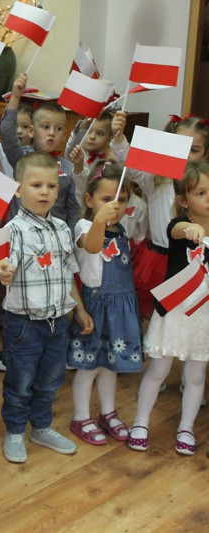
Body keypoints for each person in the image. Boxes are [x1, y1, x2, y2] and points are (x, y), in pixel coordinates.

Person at [0, 152, 93, 464]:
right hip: (24, 323)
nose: (45, 192)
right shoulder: (14, 229)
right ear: (19, 190)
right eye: (36, 185)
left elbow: (67, 273)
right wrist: (1, 270)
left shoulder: (62, 228)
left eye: (51, 185)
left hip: (58, 321)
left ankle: (41, 427)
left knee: (50, 380)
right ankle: (14, 430)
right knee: (20, 381)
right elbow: (1, 263)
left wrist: (78, 308)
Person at [128, 161, 209, 456]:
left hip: (203, 318)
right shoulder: (179, 226)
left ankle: (186, 427)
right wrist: (192, 228)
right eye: (201, 192)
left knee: (196, 377)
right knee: (158, 370)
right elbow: (178, 230)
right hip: (174, 311)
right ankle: (140, 422)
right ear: (183, 200)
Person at [66, 163, 142, 446]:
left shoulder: (122, 228)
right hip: (97, 306)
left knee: (111, 365)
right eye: (106, 199)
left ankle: (107, 413)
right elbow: (93, 246)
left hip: (122, 305)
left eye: (121, 200)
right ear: (89, 200)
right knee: (89, 366)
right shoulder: (85, 226)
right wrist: (100, 220)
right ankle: (80, 415)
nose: (115, 205)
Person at [127, 114, 209, 319]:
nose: (186, 155)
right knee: (157, 312)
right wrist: (119, 138)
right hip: (159, 257)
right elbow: (129, 165)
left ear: (205, 154)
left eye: (194, 150)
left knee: (189, 311)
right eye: (180, 147)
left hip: (194, 257)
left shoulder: (205, 184)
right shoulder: (156, 180)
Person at [0, 73, 80, 233]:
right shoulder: (22, 158)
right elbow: (7, 135)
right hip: (20, 237)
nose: (51, 133)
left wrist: (69, 244)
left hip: (54, 240)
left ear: (64, 135)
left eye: (58, 129)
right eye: (45, 127)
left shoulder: (69, 169)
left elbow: (73, 212)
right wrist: (15, 97)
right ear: (31, 130)